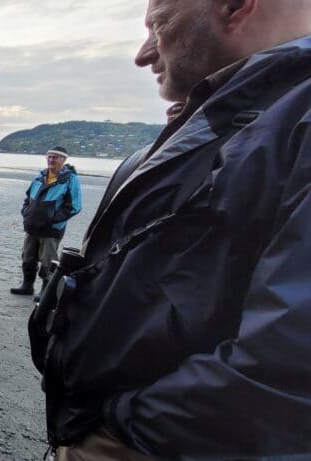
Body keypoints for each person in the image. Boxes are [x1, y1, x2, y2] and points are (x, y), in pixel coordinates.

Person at [31, 1, 311, 459]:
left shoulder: (292, 125)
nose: (143, 55)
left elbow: (289, 373)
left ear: (237, 8)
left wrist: (117, 434)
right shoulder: (218, 122)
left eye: (158, 25)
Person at [9, 146, 82, 301]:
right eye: (49, 156)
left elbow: (75, 206)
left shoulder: (70, 179)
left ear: (64, 160)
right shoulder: (40, 176)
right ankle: (27, 286)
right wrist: (26, 213)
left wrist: (51, 219)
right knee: (28, 257)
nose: (51, 160)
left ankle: (45, 291)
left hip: (51, 230)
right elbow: (28, 198)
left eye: (55, 157)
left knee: (47, 260)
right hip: (32, 226)